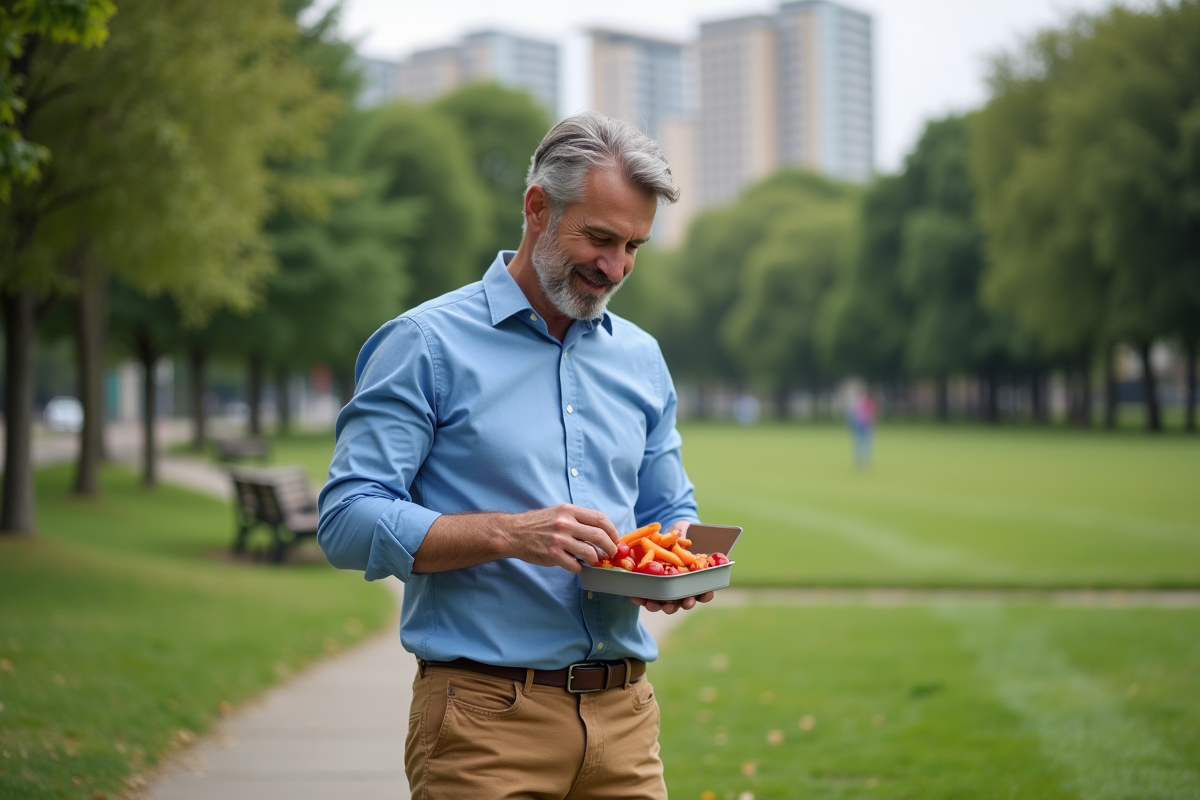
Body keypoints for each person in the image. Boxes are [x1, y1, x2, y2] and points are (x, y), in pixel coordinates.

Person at [317, 112, 710, 800]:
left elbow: (669, 504)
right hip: (483, 725)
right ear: (537, 208)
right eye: (600, 237)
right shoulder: (424, 345)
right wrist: (510, 532)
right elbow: (347, 521)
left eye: (633, 246)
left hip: (626, 722)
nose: (616, 267)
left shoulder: (642, 358)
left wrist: (679, 552)